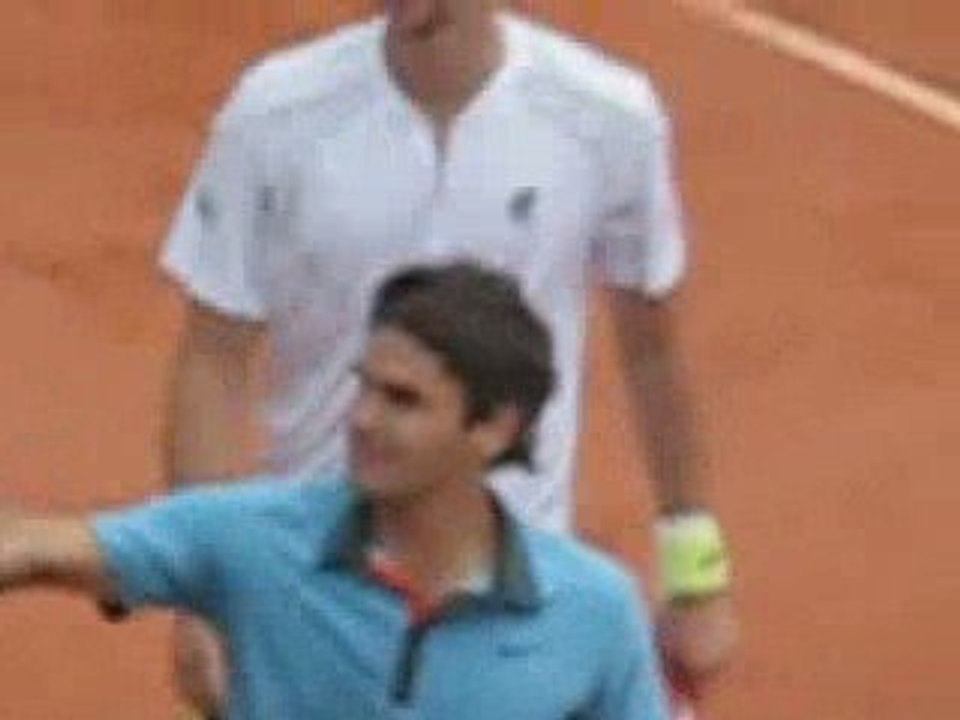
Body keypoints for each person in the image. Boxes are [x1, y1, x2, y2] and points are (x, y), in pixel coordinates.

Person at [161, 0, 737, 717]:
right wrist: (201, 591)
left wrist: (695, 570)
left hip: (515, 596)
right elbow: (214, 360)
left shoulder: (608, 117)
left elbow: (652, 352)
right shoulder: (274, 114)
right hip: (314, 592)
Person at [2, 261, 670, 720]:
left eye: (403, 400)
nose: (361, 419)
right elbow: (42, 547)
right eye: (364, 387)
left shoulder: (593, 610)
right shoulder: (255, 539)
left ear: (494, 428)